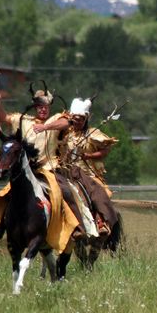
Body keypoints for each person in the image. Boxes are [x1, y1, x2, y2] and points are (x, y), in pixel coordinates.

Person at [0, 86, 82, 250]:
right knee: (5, 195)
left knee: (65, 191)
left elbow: (67, 122)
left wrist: (45, 127)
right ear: (35, 107)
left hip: (49, 169)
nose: (43, 109)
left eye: (46, 106)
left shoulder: (55, 119)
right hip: (26, 170)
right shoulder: (23, 120)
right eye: (40, 106)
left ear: (49, 107)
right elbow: (3, 118)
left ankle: (76, 227)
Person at [57, 97, 119, 236]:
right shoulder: (64, 133)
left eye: (81, 119)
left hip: (85, 173)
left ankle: (100, 221)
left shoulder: (92, 133)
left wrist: (89, 156)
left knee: (99, 191)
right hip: (64, 172)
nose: (78, 121)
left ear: (85, 120)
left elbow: (106, 149)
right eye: (75, 118)